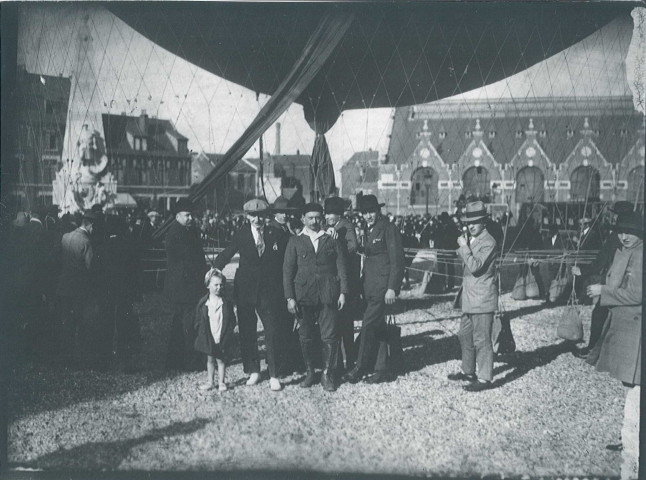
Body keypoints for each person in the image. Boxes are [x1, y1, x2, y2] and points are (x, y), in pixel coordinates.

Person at [585, 210, 642, 480]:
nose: (624, 236)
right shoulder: (624, 249)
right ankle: (628, 436)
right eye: (620, 231)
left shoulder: (641, 254)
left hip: (636, 327)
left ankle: (632, 444)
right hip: (624, 324)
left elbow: (636, 294)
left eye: (629, 232)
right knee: (630, 386)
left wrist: (603, 292)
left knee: (636, 387)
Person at [213, 199, 287, 391]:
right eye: (253, 215)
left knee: (272, 331)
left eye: (260, 215)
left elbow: (287, 257)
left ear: (266, 216)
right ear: (247, 216)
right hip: (245, 289)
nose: (257, 219)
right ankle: (253, 370)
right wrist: (213, 269)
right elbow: (228, 252)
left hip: (269, 290)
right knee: (247, 330)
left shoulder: (275, 233)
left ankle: (273, 373)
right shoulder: (242, 234)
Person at [283, 202, 349, 391]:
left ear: (322, 218)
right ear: (303, 218)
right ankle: (310, 372)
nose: (314, 221)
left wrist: (343, 292)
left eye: (318, 217)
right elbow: (287, 272)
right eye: (310, 217)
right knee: (306, 336)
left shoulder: (331, 239)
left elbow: (341, 267)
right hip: (304, 296)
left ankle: (327, 374)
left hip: (328, 294)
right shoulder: (295, 241)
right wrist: (290, 298)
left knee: (329, 335)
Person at [343, 195, 405, 385]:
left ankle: (359, 367)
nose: (368, 215)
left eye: (371, 212)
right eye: (365, 212)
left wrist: (392, 288)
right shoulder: (368, 230)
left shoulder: (388, 228)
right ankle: (381, 368)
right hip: (370, 287)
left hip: (382, 288)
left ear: (378, 211)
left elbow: (397, 261)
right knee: (377, 328)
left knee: (368, 325)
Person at [448, 201, 499, 392]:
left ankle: (485, 378)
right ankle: (468, 371)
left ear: (484, 222)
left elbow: (476, 266)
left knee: (482, 340)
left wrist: (464, 247)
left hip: (482, 299)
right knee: (464, 335)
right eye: (469, 222)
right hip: (469, 298)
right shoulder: (472, 240)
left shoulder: (489, 242)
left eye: (475, 222)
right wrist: (463, 246)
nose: (471, 225)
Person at [164, 198, 208, 371]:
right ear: (177, 216)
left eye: (191, 215)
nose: (190, 218)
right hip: (185, 287)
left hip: (182, 287)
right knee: (189, 325)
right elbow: (187, 261)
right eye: (187, 215)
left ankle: (174, 361)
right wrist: (202, 277)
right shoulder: (177, 233)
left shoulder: (185, 231)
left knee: (179, 325)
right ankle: (190, 362)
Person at [56, 210, 99, 366]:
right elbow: (91, 267)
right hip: (80, 289)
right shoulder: (86, 242)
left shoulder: (65, 237)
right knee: (82, 324)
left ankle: (65, 358)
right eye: (95, 227)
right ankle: (81, 359)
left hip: (64, 286)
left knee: (67, 323)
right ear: (90, 225)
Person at [324, 196, 360, 373]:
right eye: (327, 213)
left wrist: (338, 243)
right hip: (335, 280)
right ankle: (340, 360)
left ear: (339, 214)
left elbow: (353, 248)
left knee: (345, 323)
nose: (329, 216)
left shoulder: (346, 226)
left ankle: (348, 361)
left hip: (346, 281)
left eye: (333, 213)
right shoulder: (331, 227)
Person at [194, 268, 236, 393]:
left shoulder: (226, 303)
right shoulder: (204, 303)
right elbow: (198, 319)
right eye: (215, 285)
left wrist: (228, 332)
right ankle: (210, 381)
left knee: (221, 360)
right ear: (208, 285)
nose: (219, 287)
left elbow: (232, 320)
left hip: (221, 334)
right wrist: (201, 332)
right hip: (209, 335)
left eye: (221, 285)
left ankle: (221, 382)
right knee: (210, 360)